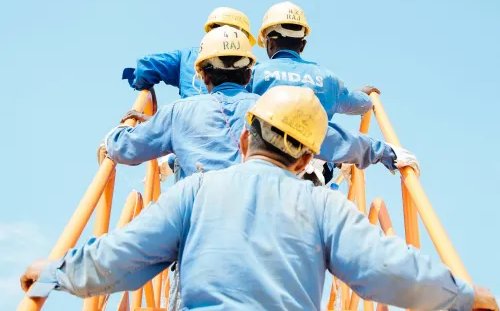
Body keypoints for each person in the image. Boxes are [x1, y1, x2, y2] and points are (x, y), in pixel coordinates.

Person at [22, 86, 497, 311]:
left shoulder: (194, 192)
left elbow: (119, 258)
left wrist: (49, 277)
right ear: (306, 158)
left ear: (246, 139)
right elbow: (386, 268)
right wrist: (462, 295)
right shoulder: (325, 206)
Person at [103, 26, 418, 180]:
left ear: (201, 71)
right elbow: (335, 139)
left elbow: (125, 148)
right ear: (249, 70)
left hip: (199, 241)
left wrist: (118, 133)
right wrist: (386, 152)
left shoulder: (177, 114)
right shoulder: (276, 109)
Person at [248, 1, 380, 185]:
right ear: (302, 45)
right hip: (313, 160)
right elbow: (361, 105)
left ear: (268, 42)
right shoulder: (327, 78)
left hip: (263, 167)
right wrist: (365, 95)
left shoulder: (253, 74)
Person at [122, 6, 256, 98]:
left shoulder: (186, 57)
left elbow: (145, 67)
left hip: (187, 128)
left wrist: (145, 89)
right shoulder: (252, 68)